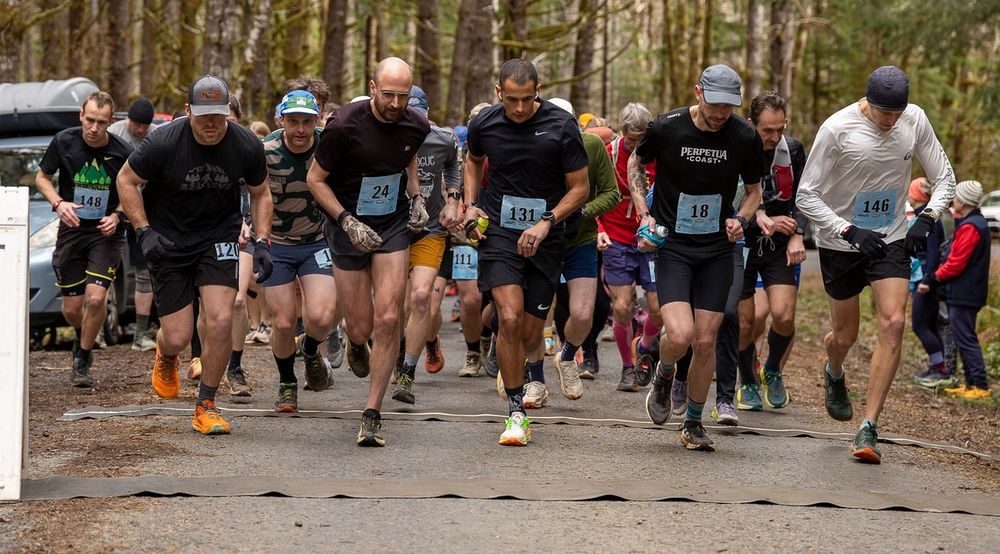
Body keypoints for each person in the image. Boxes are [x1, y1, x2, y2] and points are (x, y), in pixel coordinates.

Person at [796, 65, 956, 463]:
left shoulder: (914, 119)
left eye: (897, 113)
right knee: (844, 336)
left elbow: (946, 178)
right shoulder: (837, 129)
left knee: (894, 322)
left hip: (891, 238)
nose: (892, 121)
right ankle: (834, 369)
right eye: (886, 113)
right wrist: (848, 230)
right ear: (868, 102)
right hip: (842, 244)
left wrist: (927, 218)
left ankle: (868, 425)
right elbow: (806, 195)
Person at [116, 75, 273, 435]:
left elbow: (261, 192)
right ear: (188, 112)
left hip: (217, 238)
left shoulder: (246, 145)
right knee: (179, 334)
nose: (212, 124)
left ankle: (206, 404)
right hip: (168, 241)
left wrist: (263, 241)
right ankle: (166, 353)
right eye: (204, 116)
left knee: (220, 319)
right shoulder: (163, 142)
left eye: (218, 116)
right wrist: (144, 231)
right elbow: (125, 180)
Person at [629, 64, 765, 452]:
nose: (721, 113)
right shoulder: (667, 126)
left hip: (717, 249)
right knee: (682, 336)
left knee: (705, 341)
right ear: (698, 93)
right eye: (715, 104)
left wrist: (741, 219)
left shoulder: (744, 136)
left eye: (729, 106)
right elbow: (634, 163)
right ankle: (665, 369)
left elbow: (755, 191)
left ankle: (693, 421)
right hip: (673, 245)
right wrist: (644, 214)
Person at [460, 58, 589, 446]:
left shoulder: (561, 127)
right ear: (499, 93)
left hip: (546, 236)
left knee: (532, 331)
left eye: (527, 99)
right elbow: (472, 161)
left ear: (538, 91)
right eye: (512, 100)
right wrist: (472, 205)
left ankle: (530, 375)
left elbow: (580, 188)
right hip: (499, 231)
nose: (519, 108)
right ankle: (516, 413)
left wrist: (547, 220)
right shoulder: (485, 123)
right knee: (510, 318)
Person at [305, 57, 429, 447]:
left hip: (391, 224)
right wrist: (346, 221)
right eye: (388, 95)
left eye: (403, 96)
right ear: (373, 88)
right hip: (347, 225)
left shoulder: (417, 124)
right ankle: (357, 344)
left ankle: (372, 412)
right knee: (359, 326)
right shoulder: (344, 125)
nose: (395, 104)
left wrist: (417, 195)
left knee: (389, 317)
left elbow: (406, 154)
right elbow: (315, 179)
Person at [35, 91, 132, 386]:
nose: (94, 128)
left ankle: (83, 356)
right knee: (72, 309)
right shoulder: (64, 141)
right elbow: (42, 178)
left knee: (96, 296)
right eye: (90, 120)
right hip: (72, 229)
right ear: (81, 115)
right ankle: (83, 335)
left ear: (110, 122)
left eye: (101, 122)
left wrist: (117, 215)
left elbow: (135, 189)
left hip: (106, 233)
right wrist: (58, 203)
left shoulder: (122, 151)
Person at [261, 90, 337, 413]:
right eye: (293, 122)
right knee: (282, 322)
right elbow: (250, 192)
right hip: (276, 244)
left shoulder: (328, 146)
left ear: (317, 120)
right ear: (282, 120)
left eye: (307, 122)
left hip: (316, 242)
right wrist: (249, 229)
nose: (301, 130)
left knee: (320, 316)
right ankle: (287, 383)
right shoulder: (265, 151)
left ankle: (309, 349)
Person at [734, 91, 808, 412]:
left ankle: (773, 369)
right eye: (767, 131)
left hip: (779, 244)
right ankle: (747, 379)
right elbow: (734, 195)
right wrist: (760, 214)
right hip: (743, 243)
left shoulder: (791, 150)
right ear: (752, 124)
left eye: (780, 128)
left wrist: (798, 234)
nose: (775, 136)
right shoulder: (737, 147)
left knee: (784, 315)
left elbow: (805, 195)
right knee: (746, 322)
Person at [542, 97, 618, 407]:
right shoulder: (535, 145)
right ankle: (527, 372)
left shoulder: (593, 146)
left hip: (580, 238)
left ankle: (568, 356)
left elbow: (612, 194)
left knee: (584, 313)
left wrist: (583, 211)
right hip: (542, 238)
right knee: (532, 314)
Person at [391, 85, 462, 405]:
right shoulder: (385, 137)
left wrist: (453, 199)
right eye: (409, 116)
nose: (414, 122)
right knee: (392, 307)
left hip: (430, 228)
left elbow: (453, 165)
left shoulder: (443, 138)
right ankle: (396, 353)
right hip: (391, 229)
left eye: (419, 115)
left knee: (421, 297)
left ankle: (407, 369)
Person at [598, 102, 662, 392]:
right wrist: (599, 230)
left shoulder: (659, 154)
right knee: (622, 307)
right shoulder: (610, 153)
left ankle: (646, 347)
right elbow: (594, 194)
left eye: (642, 139)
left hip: (651, 238)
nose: (637, 146)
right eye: (632, 140)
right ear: (622, 131)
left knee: (658, 308)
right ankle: (627, 367)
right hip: (617, 236)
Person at [921, 180, 992, 400]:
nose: (953, 200)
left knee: (966, 339)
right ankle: (969, 384)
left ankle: (980, 386)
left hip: (965, 293)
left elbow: (956, 262)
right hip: (965, 292)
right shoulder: (972, 223)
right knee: (963, 337)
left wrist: (933, 278)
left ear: (964, 201)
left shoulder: (971, 226)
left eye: (956, 197)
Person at [109, 98, 160, 353]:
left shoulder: (157, 135)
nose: (140, 130)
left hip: (144, 212)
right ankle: (99, 330)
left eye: (144, 126)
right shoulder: (114, 133)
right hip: (113, 211)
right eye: (136, 124)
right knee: (106, 269)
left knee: (143, 272)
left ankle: (140, 333)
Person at [909, 178, 959, 388]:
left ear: (917, 195)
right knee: (929, 324)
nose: (908, 195)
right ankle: (940, 368)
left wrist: (927, 280)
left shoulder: (928, 217)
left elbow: (932, 253)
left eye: (910, 191)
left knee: (920, 324)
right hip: (926, 278)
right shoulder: (928, 214)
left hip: (926, 279)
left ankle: (940, 369)